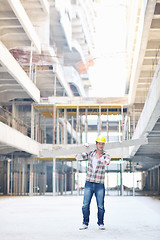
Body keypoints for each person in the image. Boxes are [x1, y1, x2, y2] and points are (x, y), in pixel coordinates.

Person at [76, 135, 111, 230]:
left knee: (100, 206)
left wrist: (102, 158)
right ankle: (85, 222)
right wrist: (83, 148)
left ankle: (101, 223)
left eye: (102, 144)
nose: (101, 145)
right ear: (96, 144)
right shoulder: (90, 154)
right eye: (99, 143)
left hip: (99, 184)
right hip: (89, 183)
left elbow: (106, 162)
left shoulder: (106, 155)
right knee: (85, 205)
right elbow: (78, 157)